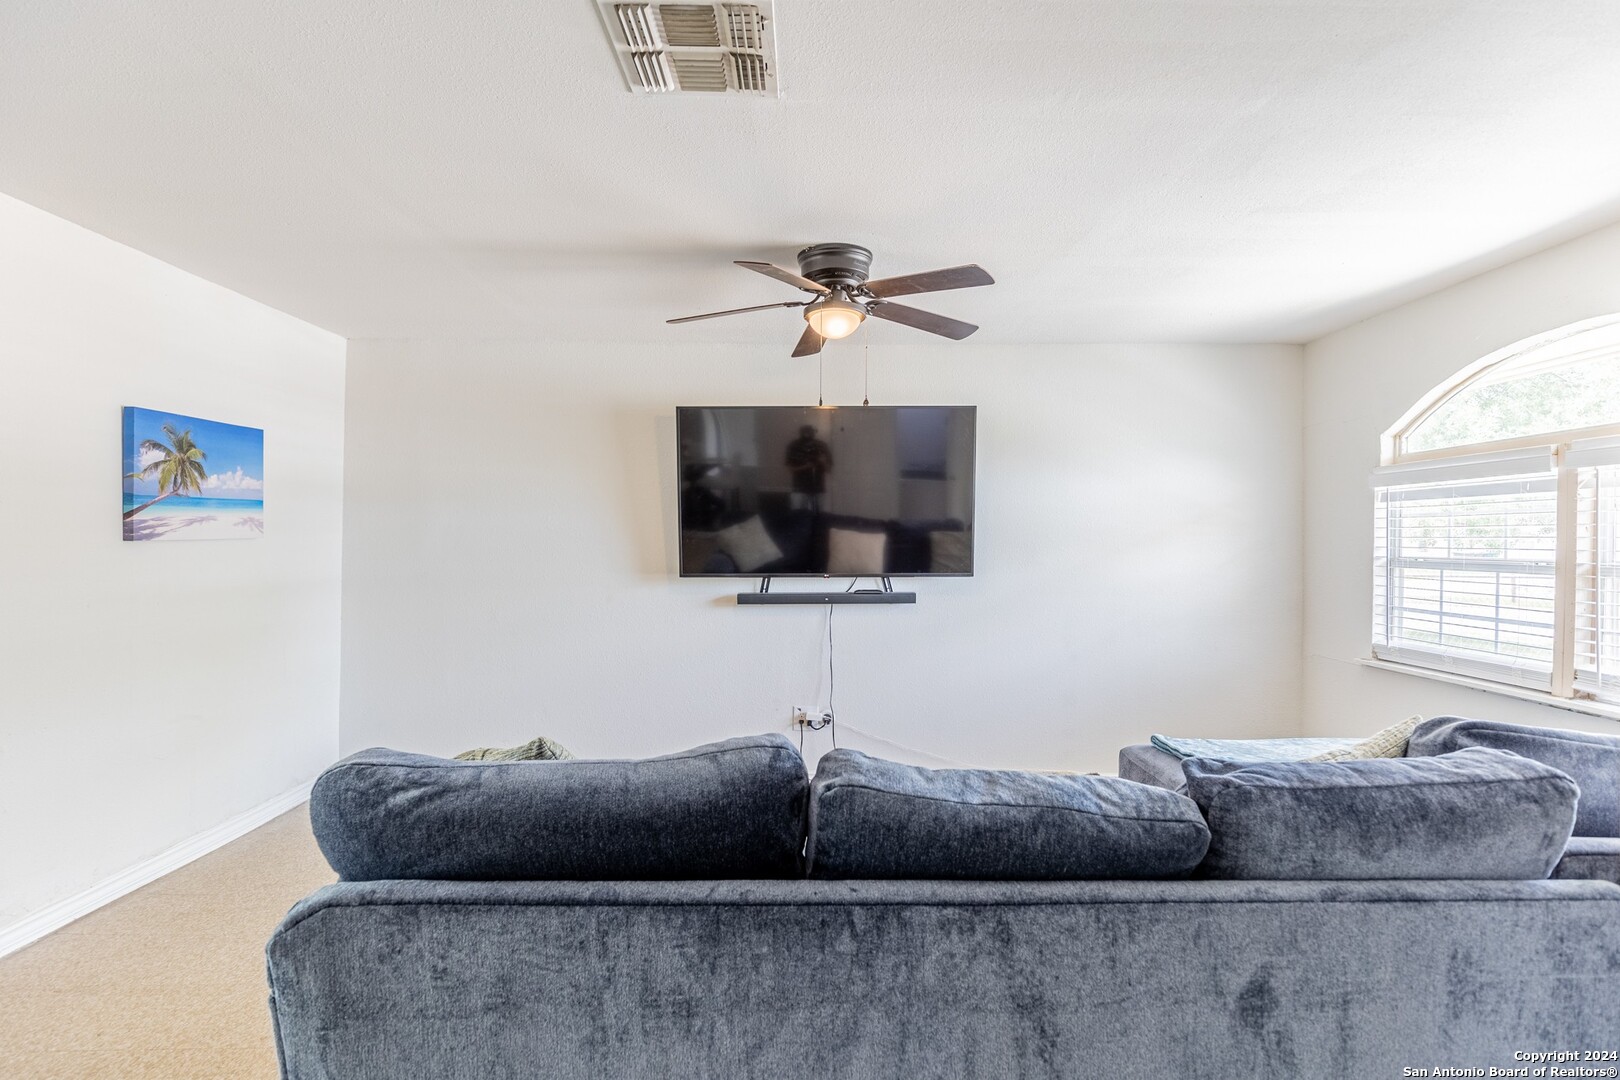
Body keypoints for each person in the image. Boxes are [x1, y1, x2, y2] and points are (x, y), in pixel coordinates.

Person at [785, 425, 832, 511]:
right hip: (799, 488)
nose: (808, 434)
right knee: (798, 514)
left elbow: (828, 470)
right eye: (805, 432)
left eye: (810, 432)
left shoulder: (822, 446)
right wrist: (806, 466)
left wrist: (823, 461)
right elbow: (790, 469)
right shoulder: (793, 446)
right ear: (801, 432)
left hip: (818, 488)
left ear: (814, 432)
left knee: (818, 515)